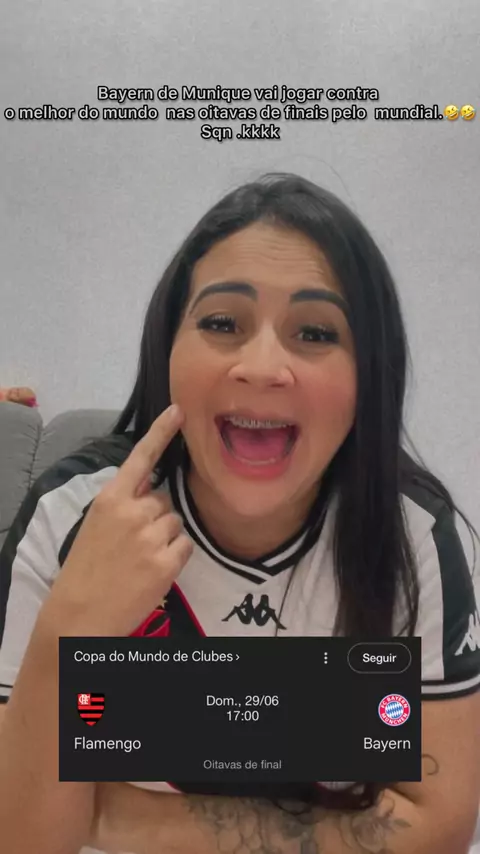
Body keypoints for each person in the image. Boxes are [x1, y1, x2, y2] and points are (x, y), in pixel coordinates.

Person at [0, 173, 479, 854]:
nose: (262, 367)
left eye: (315, 332)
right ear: (168, 348)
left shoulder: (415, 535)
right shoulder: (73, 514)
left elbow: (439, 829)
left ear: (369, 375)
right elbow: (19, 835)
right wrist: (69, 629)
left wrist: (111, 816)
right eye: (222, 323)